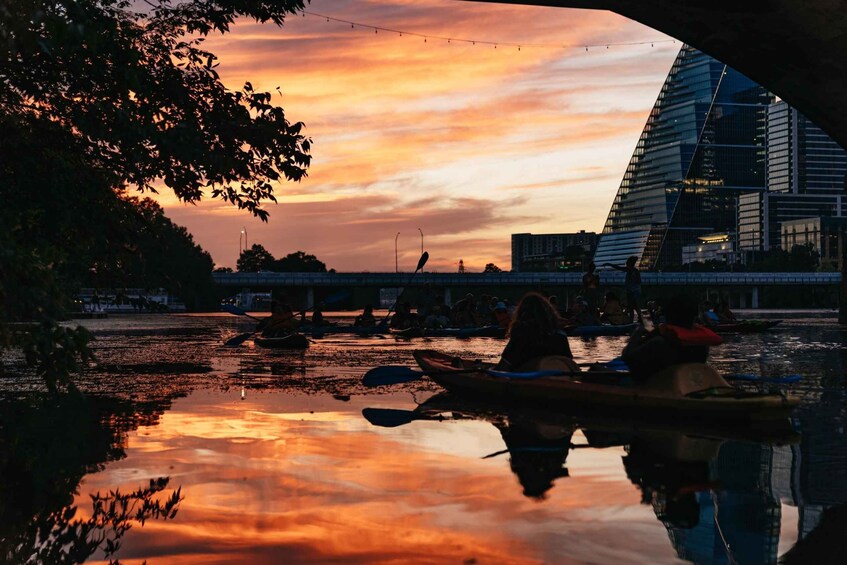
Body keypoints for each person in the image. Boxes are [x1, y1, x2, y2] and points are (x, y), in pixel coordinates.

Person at [621, 294, 722, 380]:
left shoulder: (659, 343)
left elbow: (628, 358)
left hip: (661, 387)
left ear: (667, 315)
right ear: (694, 316)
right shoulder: (702, 344)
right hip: (689, 384)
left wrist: (637, 334)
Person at [495, 292, 574, 371]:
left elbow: (505, 364)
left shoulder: (521, 334)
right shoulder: (561, 334)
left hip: (531, 377)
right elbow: (569, 361)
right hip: (563, 376)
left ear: (522, 313)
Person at [604, 256, 643, 324]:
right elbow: (618, 268)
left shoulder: (635, 271)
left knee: (636, 306)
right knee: (630, 307)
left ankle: (640, 319)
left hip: (635, 292)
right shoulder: (628, 270)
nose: (627, 264)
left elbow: (639, 281)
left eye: (628, 263)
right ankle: (631, 321)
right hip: (629, 291)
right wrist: (609, 264)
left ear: (631, 263)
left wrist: (634, 279)